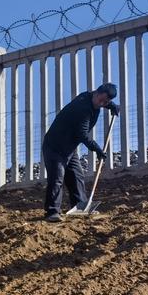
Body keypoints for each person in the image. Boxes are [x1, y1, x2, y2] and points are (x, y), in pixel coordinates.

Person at [42, 82, 119, 222]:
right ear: (96, 92)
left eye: (105, 102)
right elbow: (82, 135)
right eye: (101, 100)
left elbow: (101, 102)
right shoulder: (82, 108)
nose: (101, 104)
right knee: (57, 178)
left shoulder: (90, 97)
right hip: (54, 146)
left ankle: (81, 207)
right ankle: (52, 212)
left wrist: (112, 106)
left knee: (77, 176)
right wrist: (97, 149)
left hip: (69, 148)